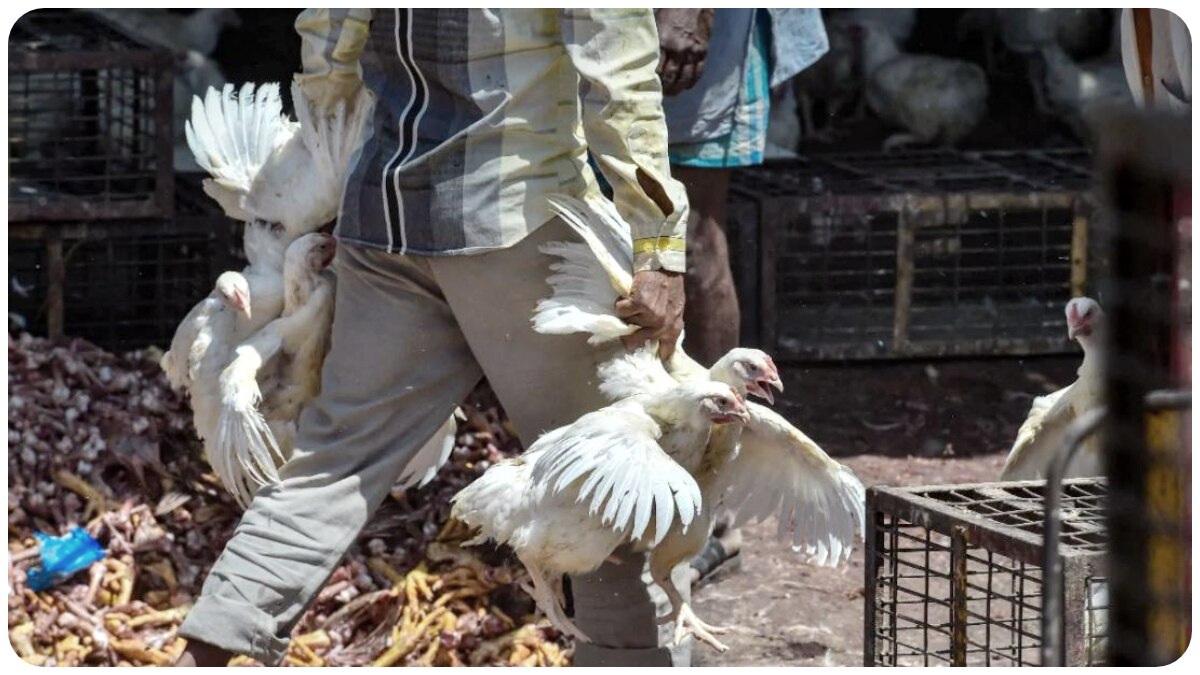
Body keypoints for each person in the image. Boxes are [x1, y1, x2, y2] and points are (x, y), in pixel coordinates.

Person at [173, 9, 691, 668]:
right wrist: (658, 244)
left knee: (332, 463)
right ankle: (627, 656)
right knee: (599, 472)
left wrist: (340, 157)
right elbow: (619, 77)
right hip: (517, 226)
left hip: (385, 219)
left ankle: (213, 640)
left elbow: (328, 42)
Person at [654, 8, 829, 584]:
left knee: (692, 238)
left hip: (693, 33)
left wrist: (688, 12)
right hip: (595, 39)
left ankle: (713, 510)